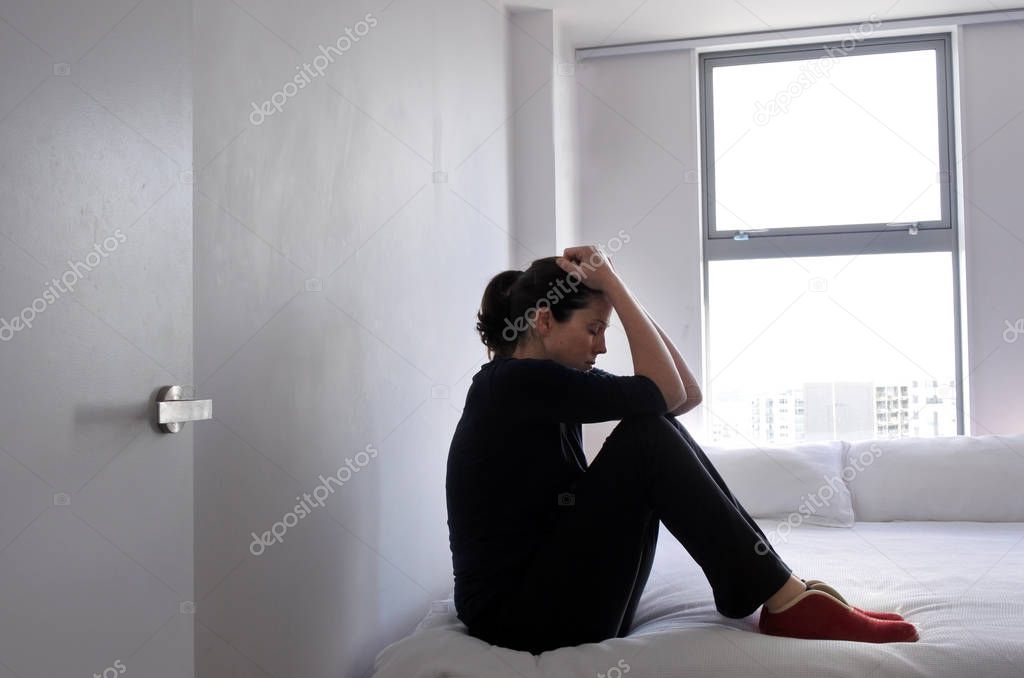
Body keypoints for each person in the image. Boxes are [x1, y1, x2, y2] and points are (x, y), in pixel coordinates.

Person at [444, 245, 920, 654]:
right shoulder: (512, 385)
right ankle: (783, 598)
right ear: (544, 320)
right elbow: (665, 393)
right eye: (594, 329)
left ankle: (783, 592)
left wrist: (615, 291)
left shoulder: (548, 383)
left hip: (556, 602)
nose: (603, 346)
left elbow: (684, 394)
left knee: (651, 425)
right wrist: (610, 279)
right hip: (522, 621)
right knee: (645, 437)